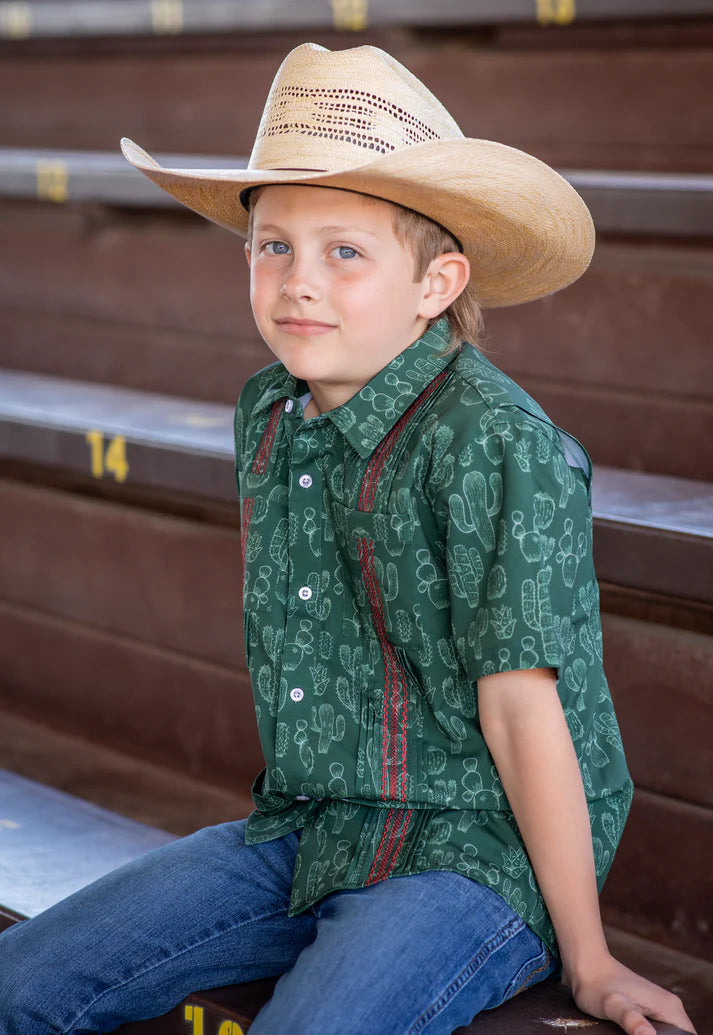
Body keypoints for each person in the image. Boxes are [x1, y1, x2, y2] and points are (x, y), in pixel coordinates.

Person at [0, 43, 695, 1035]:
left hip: (475, 854)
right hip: (312, 826)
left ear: (435, 283)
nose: (297, 281)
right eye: (272, 245)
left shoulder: (495, 448)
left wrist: (586, 959)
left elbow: (519, 712)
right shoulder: (270, 414)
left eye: (345, 252)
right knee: (19, 982)